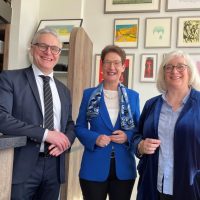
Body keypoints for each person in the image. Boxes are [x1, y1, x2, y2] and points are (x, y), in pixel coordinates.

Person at [0, 28, 75, 200]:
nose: (49, 52)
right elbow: (2, 118)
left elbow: (70, 124)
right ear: (32, 48)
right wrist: (46, 134)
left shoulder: (63, 90)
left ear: (59, 53)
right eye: (43, 46)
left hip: (54, 167)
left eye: (54, 48)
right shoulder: (10, 79)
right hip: (21, 167)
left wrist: (65, 141)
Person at [132, 50, 200, 200]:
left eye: (180, 66)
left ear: (189, 71)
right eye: (169, 67)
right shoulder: (151, 105)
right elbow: (136, 135)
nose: (174, 71)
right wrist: (140, 145)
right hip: (153, 185)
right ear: (163, 73)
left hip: (191, 187)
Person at [75, 45, 140, 200]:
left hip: (124, 168)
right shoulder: (88, 94)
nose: (112, 67)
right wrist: (94, 138)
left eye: (117, 63)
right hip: (93, 167)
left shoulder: (132, 96)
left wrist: (127, 136)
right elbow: (79, 127)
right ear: (102, 65)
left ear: (123, 66)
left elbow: (139, 129)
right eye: (108, 62)